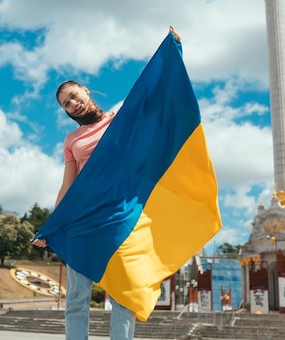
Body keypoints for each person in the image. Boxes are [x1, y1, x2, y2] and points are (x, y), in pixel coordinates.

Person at [33, 27, 181, 340]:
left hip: (118, 215)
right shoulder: (71, 140)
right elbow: (68, 186)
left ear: (85, 90)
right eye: (66, 104)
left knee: (123, 292)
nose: (72, 104)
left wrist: (172, 52)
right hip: (81, 220)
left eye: (74, 96)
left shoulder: (118, 118)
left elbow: (151, 93)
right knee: (76, 297)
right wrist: (51, 224)